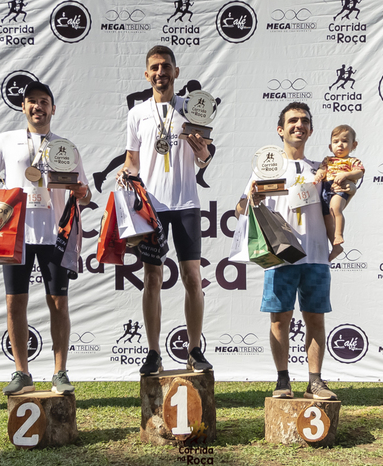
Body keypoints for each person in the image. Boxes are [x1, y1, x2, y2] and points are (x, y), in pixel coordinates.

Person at [0, 81, 90, 396]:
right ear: (23, 107)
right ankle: (21, 372)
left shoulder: (66, 147)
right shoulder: (6, 140)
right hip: (15, 234)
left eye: (44, 102)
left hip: (54, 234)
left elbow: (85, 192)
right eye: (32, 101)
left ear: (53, 108)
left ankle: (60, 372)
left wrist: (81, 192)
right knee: (14, 303)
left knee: (59, 302)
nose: (38, 107)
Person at [123, 46, 214, 375]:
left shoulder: (193, 110)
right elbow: (132, 161)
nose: (160, 72)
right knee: (152, 277)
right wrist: (125, 174)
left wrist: (203, 153)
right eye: (154, 68)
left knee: (193, 277)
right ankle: (153, 352)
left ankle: (194, 350)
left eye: (166, 67)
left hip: (187, 204)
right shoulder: (137, 114)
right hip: (153, 208)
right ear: (146, 75)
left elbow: (203, 157)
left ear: (176, 72)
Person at [238, 102, 337, 401]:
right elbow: (240, 209)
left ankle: (315, 382)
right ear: (280, 130)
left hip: (316, 255)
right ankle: (283, 381)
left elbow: (337, 203)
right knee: (280, 319)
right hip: (280, 257)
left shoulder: (322, 170)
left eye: (304, 121)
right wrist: (251, 197)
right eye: (292, 121)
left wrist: (337, 241)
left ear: (310, 129)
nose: (299, 125)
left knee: (315, 319)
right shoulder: (265, 169)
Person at [315, 124, 364, 260]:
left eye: (344, 141)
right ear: (330, 147)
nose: (340, 145)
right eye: (336, 142)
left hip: (340, 187)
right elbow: (322, 169)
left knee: (335, 208)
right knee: (327, 218)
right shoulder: (327, 160)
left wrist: (346, 176)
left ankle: (339, 234)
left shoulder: (352, 161)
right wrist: (319, 173)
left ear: (354, 145)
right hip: (326, 188)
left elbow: (359, 172)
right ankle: (336, 246)